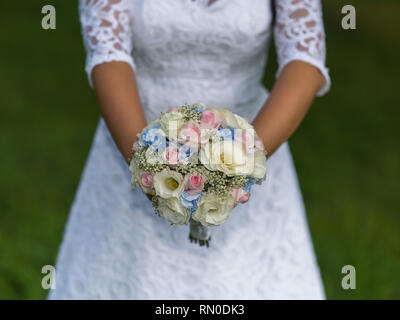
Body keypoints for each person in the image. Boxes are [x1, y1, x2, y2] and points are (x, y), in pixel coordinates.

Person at [49, 0, 330, 299]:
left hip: (257, 140)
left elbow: (304, 57)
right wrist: (152, 170)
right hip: (133, 135)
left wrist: (239, 165)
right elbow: (108, 52)